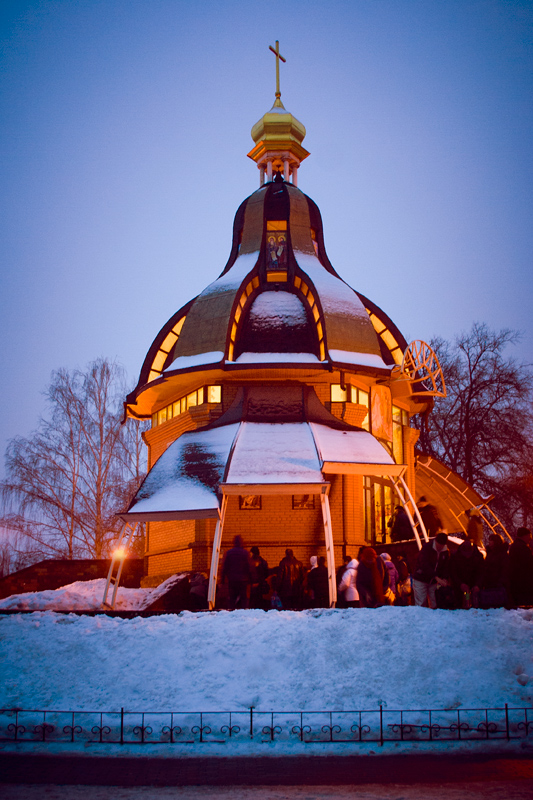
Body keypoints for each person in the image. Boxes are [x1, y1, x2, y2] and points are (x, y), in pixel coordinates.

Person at [412, 532, 451, 608]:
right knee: (421, 603)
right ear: (436, 541)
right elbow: (424, 564)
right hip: (421, 579)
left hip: (433, 582)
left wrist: (445, 578)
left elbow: (446, 567)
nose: (440, 548)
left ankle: (433, 618)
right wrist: (436, 577)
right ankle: (421, 618)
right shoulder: (427, 548)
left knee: (434, 603)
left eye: (442, 546)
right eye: (439, 545)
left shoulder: (445, 552)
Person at [450, 538, 484, 609]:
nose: (467, 557)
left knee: (473, 598)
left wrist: (478, 585)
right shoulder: (455, 557)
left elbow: (481, 572)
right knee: (462, 599)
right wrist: (460, 584)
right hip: (460, 584)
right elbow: (453, 573)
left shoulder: (478, 557)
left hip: (473, 583)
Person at [478, 533, 509, 609]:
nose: (490, 543)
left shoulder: (500, 554)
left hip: (497, 583)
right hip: (491, 583)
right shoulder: (491, 553)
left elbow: (504, 569)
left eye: (491, 541)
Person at [221, 535, 252, 609]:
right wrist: (251, 579)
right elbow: (249, 567)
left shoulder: (229, 553)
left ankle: (231, 612)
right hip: (243, 580)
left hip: (232, 580)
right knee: (244, 598)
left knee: (232, 598)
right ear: (241, 543)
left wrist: (222, 580)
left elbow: (224, 567)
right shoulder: (245, 553)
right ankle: (244, 613)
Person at [508, 527, 533, 607]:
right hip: (523, 581)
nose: (530, 538)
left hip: (516, 580)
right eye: (529, 536)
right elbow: (528, 564)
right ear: (524, 536)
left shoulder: (514, 546)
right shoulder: (523, 548)